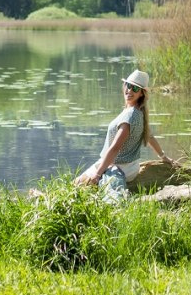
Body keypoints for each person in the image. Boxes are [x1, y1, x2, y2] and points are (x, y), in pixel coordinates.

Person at [75, 68, 176, 199]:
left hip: (120, 166)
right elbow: (149, 136)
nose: (129, 91)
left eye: (135, 88)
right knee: (77, 183)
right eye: (128, 86)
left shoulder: (130, 115)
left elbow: (115, 148)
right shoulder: (137, 112)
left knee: (77, 185)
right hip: (128, 166)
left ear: (142, 93)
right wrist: (163, 156)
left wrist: (98, 174)